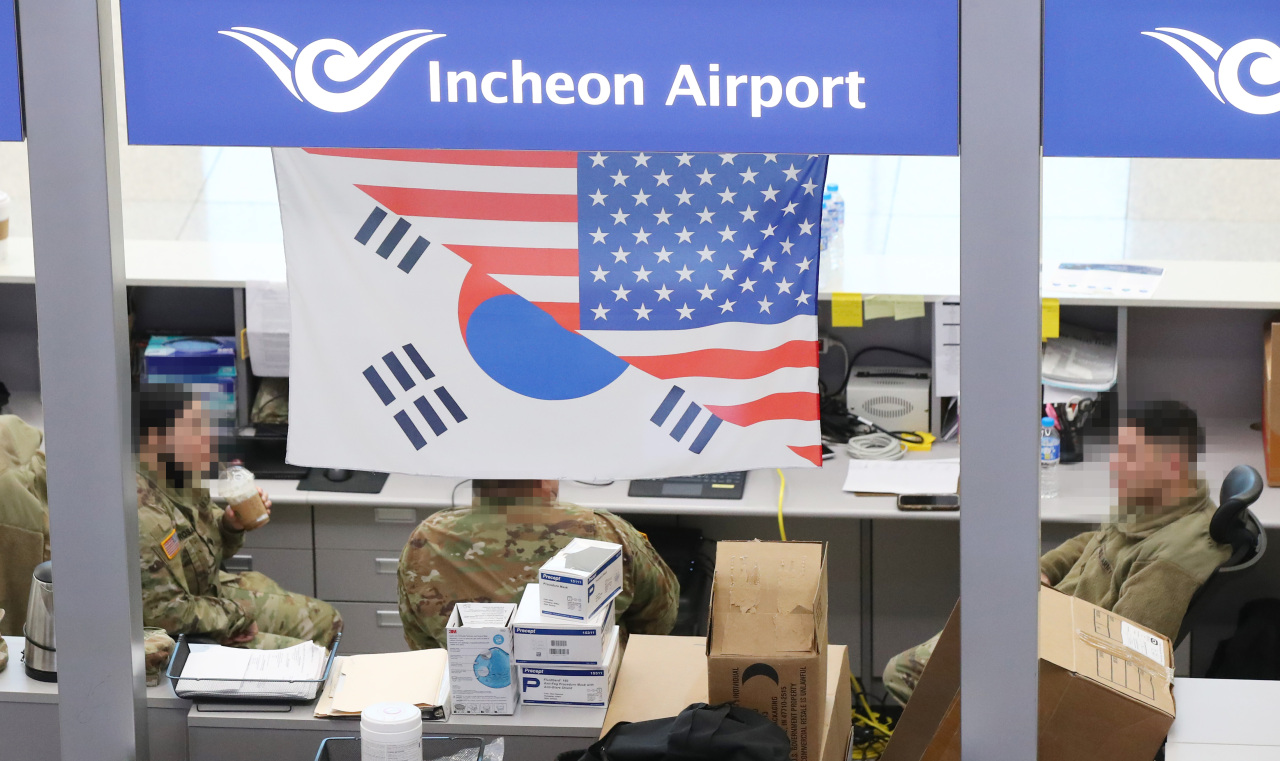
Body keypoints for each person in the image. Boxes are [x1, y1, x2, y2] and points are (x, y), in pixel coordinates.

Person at [883, 401, 1231, 705]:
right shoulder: (1160, 501)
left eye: (1129, 456)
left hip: (1057, 664)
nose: (1114, 466)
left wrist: (1028, 636)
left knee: (905, 674)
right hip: (1046, 624)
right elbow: (1094, 540)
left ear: (1172, 465)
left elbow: (1120, 661)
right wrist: (1046, 570)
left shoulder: (1173, 561)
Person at [136, 385, 341, 649]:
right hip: (183, 630)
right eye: (195, 430)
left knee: (326, 621)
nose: (209, 439)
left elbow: (209, 551)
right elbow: (166, 613)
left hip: (211, 595)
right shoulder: (145, 516)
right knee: (310, 657)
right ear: (155, 441)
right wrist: (238, 618)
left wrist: (230, 525)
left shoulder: (179, 476)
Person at [398, 478, 680, 650]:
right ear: (543, 477)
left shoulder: (429, 536)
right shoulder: (604, 530)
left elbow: (420, 638)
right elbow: (659, 615)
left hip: (473, 697)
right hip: (593, 697)